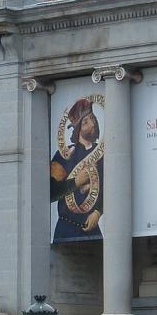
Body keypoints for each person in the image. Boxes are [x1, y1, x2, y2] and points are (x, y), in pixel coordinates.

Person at [51, 97, 104, 242]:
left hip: (92, 230)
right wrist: (76, 182)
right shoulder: (64, 155)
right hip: (66, 229)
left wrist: (98, 212)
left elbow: (112, 187)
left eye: (93, 119)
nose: (93, 124)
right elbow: (50, 192)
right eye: (86, 122)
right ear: (78, 129)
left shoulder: (103, 155)